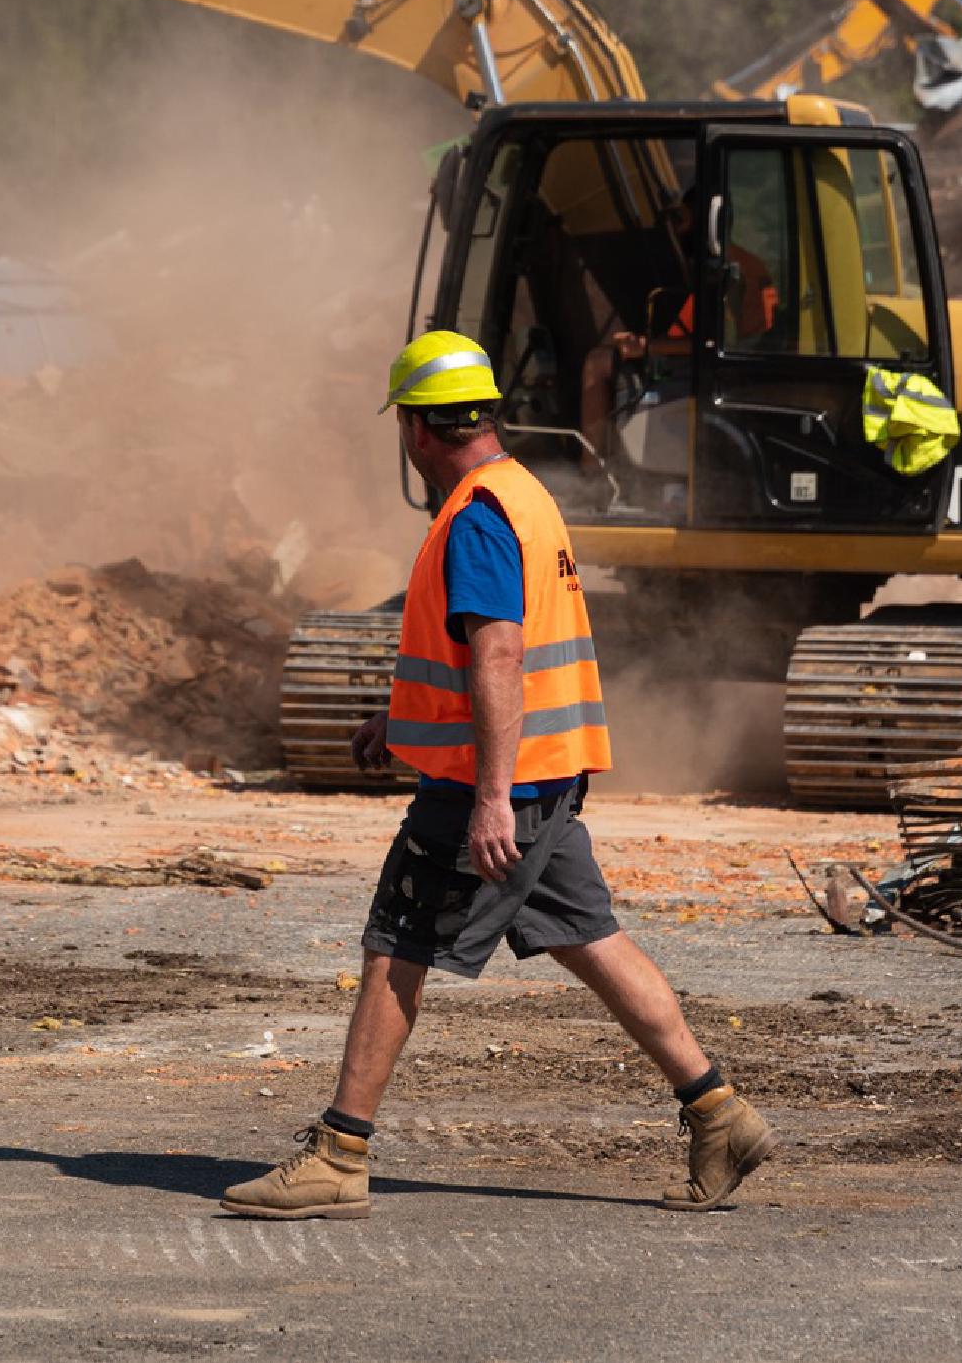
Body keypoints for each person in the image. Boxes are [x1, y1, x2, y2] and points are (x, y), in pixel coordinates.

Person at [220, 331, 773, 1221]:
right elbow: (477, 657)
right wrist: (400, 719)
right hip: (545, 778)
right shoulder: (522, 494)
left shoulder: (476, 516)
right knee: (589, 937)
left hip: (497, 788)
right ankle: (721, 1116)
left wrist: (488, 799)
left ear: (416, 426)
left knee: (398, 944)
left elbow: (501, 656)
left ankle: (338, 1154)